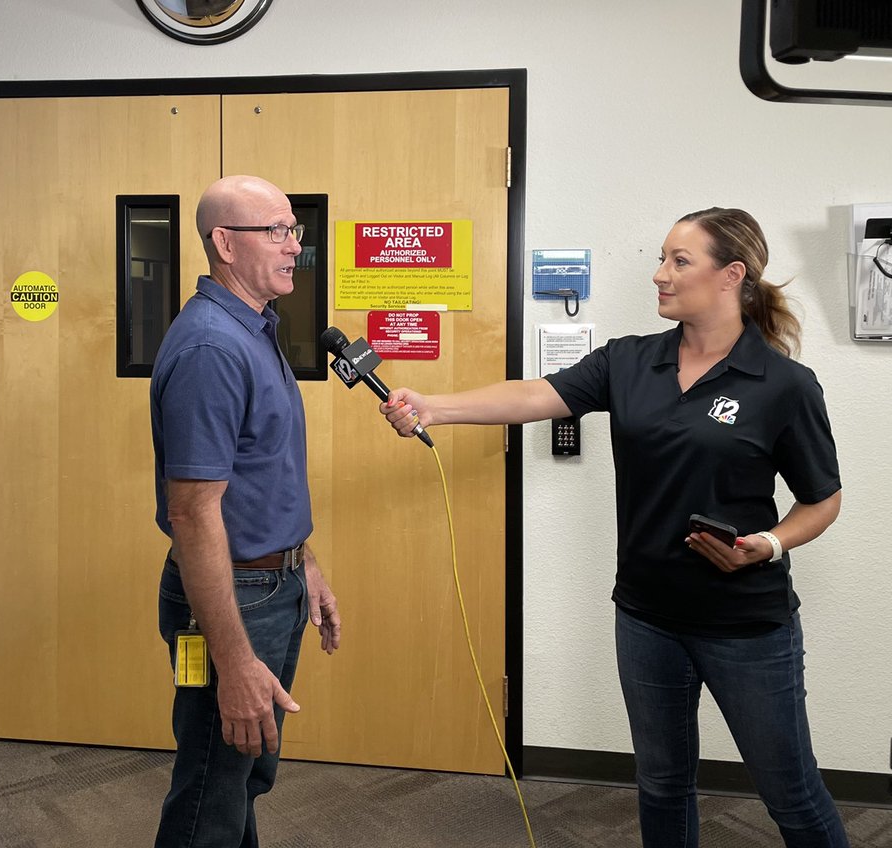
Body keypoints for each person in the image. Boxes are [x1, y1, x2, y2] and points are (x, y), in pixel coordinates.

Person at [381, 207, 849, 848]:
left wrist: (766, 545)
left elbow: (822, 499)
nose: (659, 274)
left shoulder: (784, 385)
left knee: (789, 793)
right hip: (647, 617)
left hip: (746, 624)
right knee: (661, 787)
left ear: (730, 275)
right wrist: (436, 406)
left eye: (679, 261)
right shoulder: (631, 362)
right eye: (662, 258)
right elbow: (531, 396)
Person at [150, 175, 342, 848]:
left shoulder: (255, 328)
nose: (296, 247)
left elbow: (263, 474)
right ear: (225, 244)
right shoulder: (211, 347)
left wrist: (303, 562)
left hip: (271, 583)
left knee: (242, 773)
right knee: (214, 778)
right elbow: (194, 515)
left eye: (296, 231)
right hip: (229, 601)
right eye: (278, 232)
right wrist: (232, 663)